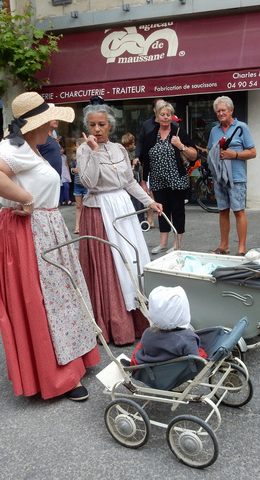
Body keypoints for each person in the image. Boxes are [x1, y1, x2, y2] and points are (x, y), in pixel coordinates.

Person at [0, 92, 99, 401]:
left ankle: (73, 362)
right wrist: (26, 199)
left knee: (61, 297)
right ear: (35, 122)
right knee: (42, 300)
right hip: (26, 230)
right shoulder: (12, 147)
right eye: (48, 116)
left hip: (44, 227)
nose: (54, 120)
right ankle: (57, 376)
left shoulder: (32, 147)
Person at [77, 101, 163, 346]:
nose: (97, 129)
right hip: (99, 211)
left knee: (133, 259)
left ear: (110, 126)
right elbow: (90, 184)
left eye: (101, 124)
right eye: (92, 125)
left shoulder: (119, 149)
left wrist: (150, 203)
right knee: (111, 264)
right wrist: (93, 151)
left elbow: (129, 182)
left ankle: (140, 320)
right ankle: (114, 324)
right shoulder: (84, 150)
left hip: (123, 208)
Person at [141, 101, 197, 253]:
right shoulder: (151, 135)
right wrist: (144, 181)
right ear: (157, 116)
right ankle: (163, 242)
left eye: (168, 115)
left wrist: (180, 145)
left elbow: (194, 155)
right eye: (162, 115)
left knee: (177, 210)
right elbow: (146, 159)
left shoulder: (179, 132)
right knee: (162, 211)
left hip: (176, 179)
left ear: (172, 116)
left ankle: (177, 244)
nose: (165, 118)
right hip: (158, 179)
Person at [206, 96, 256, 256]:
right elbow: (209, 151)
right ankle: (224, 245)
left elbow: (253, 152)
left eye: (223, 110)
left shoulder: (242, 127)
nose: (220, 114)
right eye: (218, 111)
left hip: (237, 177)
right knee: (222, 211)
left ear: (231, 110)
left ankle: (241, 248)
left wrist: (233, 154)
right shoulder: (214, 130)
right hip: (220, 177)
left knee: (238, 211)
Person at [130, 286, 205, 365]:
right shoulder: (188, 339)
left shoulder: (147, 333)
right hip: (178, 372)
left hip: (150, 371)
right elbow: (195, 362)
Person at [70, 138, 87, 234]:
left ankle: (85, 226)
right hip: (77, 184)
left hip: (86, 185)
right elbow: (72, 168)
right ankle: (77, 226)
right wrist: (74, 170)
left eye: (77, 145)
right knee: (78, 206)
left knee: (86, 206)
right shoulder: (74, 158)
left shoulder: (87, 157)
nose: (75, 147)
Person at [59, 139, 73, 206]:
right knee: (61, 187)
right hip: (60, 173)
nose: (62, 150)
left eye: (63, 149)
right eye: (60, 149)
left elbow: (66, 165)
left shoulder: (64, 156)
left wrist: (68, 173)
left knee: (66, 186)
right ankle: (64, 200)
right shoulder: (56, 157)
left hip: (65, 173)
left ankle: (65, 200)